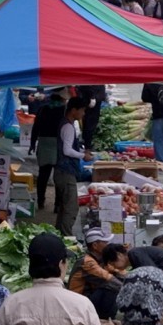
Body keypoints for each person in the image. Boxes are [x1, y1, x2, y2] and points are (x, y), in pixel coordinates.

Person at [56, 96, 94, 236]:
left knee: (64, 207)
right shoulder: (68, 126)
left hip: (63, 171)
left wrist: (82, 152)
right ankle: (66, 237)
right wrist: (83, 156)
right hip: (65, 172)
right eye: (82, 110)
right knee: (71, 208)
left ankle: (59, 234)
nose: (83, 114)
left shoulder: (67, 124)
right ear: (74, 110)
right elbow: (67, 150)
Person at [30, 90, 65, 213]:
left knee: (43, 175)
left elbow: (36, 127)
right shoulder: (64, 110)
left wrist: (32, 143)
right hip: (58, 143)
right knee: (59, 176)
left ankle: (40, 201)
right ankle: (57, 205)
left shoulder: (43, 109)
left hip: (44, 142)